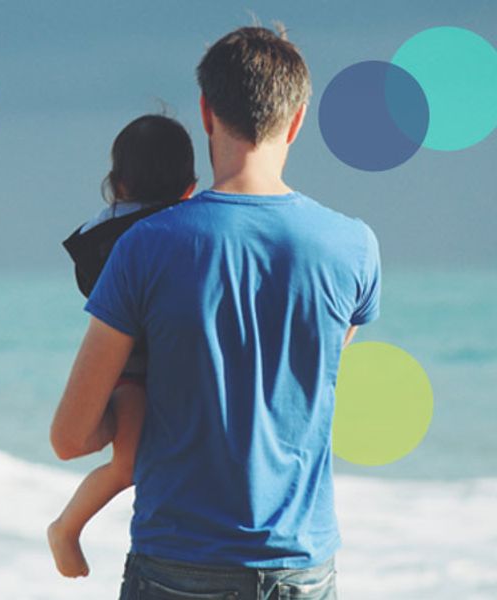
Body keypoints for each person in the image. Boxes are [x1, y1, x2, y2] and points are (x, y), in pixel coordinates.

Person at [50, 25, 380, 600]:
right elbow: (306, 370)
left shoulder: (145, 246)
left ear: (206, 113)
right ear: (297, 120)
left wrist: (130, 414)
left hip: (177, 564)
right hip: (301, 566)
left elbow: (70, 438)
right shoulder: (354, 246)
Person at [48, 114, 197, 578]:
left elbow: (87, 286)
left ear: (116, 183)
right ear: (190, 187)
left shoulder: (103, 230)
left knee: (129, 463)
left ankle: (67, 528)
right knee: (128, 463)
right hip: (131, 370)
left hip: (131, 370)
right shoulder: (182, 229)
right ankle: (66, 528)